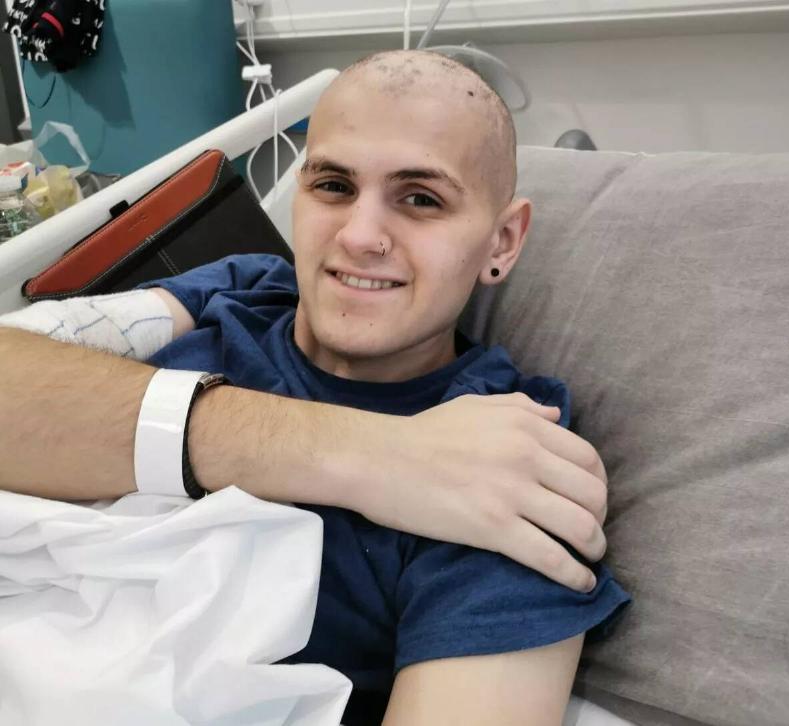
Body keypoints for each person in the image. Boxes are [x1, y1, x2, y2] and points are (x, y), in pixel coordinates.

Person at [0, 50, 629, 725]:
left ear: (502, 242)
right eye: (332, 185)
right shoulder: (240, 288)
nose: (359, 236)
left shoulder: (510, 463)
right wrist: (372, 455)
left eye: (421, 199)